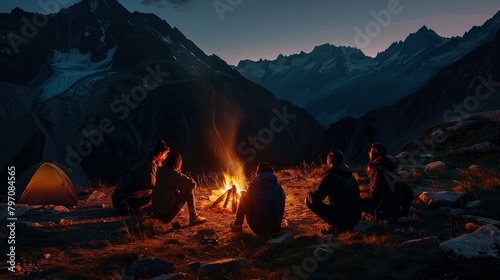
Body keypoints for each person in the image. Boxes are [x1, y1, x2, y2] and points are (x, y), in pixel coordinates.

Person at [305, 149, 361, 233]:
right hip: (356, 217)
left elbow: (316, 198)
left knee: (309, 200)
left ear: (330, 161)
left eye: (327, 158)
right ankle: (342, 223)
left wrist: (310, 194)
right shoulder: (351, 176)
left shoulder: (331, 177)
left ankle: (337, 226)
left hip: (342, 218)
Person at [112, 138, 170, 215]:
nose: (165, 157)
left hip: (119, 198)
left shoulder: (147, 162)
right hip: (122, 200)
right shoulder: (149, 166)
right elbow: (149, 187)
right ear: (160, 153)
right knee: (154, 193)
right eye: (165, 154)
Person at [360, 142, 414, 222]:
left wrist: (361, 194)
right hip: (394, 210)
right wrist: (403, 214)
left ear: (375, 153)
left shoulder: (377, 169)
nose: (369, 152)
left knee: (356, 199)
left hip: (383, 211)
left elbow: (375, 194)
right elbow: (409, 192)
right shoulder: (391, 169)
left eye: (371, 151)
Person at [152, 151, 207, 225]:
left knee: (179, 189)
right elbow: (193, 185)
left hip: (155, 213)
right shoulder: (174, 175)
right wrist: (182, 176)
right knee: (187, 191)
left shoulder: (161, 170)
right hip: (165, 217)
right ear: (178, 163)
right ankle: (193, 216)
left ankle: (192, 216)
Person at [230, 163, 286, 235]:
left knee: (243, 196)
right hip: (275, 228)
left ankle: (237, 225)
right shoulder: (278, 187)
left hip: (257, 228)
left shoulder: (253, 185)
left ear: (258, 173)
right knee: (282, 198)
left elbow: (248, 202)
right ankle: (277, 223)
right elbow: (281, 204)